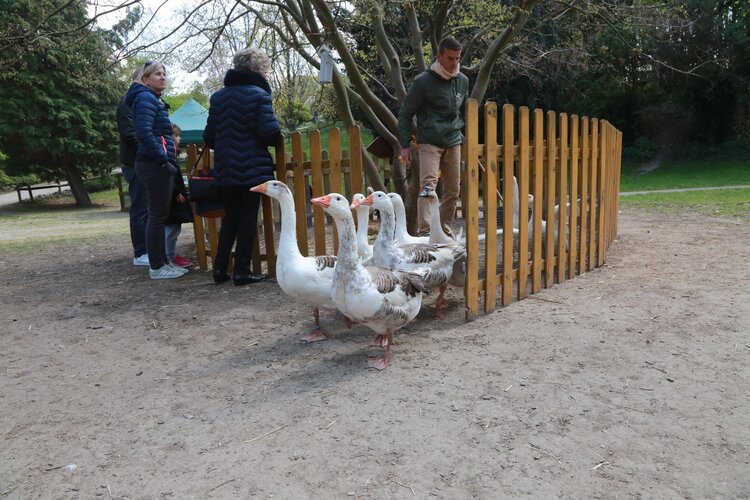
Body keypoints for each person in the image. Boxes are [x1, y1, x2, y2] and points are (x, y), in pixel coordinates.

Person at [203, 47, 279, 286]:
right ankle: (242, 272)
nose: (267, 75)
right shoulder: (259, 95)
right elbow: (269, 133)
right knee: (247, 219)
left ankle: (219, 269)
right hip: (252, 167)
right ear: (256, 70)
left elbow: (209, 137)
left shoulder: (218, 97)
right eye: (265, 70)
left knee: (230, 218)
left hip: (225, 168)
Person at [397, 37, 470, 237]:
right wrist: (405, 145)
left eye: (457, 58)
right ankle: (426, 232)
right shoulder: (423, 81)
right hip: (430, 141)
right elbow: (405, 114)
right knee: (428, 187)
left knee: (453, 190)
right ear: (438, 56)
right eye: (449, 58)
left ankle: (444, 230)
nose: (454, 63)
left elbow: (460, 112)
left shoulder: (463, 81)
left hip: (453, 140)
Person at [125, 61, 187, 280]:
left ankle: (163, 263)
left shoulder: (153, 99)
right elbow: (143, 133)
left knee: (159, 215)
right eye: (157, 74)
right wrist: (163, 160)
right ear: (145, 79)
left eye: (164, 73)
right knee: (157, 216)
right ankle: (157, 267)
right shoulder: (145, 98)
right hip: (154, 165)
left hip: (158, 164)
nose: (163, 77)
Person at [117, 67, 149, 266]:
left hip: (143, 160)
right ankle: (141, 252)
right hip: (135, 162)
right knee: (140, 206)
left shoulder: (144, 100)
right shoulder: (128, 101)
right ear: (141, 78)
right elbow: (130, 134)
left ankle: (149, 248)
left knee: (147, 207)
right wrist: (152, 151)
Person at [164, 123, 193, 268]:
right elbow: (168, 176)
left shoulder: (173, 155)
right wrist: (176, 192)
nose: (179, 139)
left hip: (175, 194)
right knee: (171, 228)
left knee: (175, 227)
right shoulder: (167, 155)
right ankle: (169, 255)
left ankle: (170, 254)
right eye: (176, 136)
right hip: (172, 196)